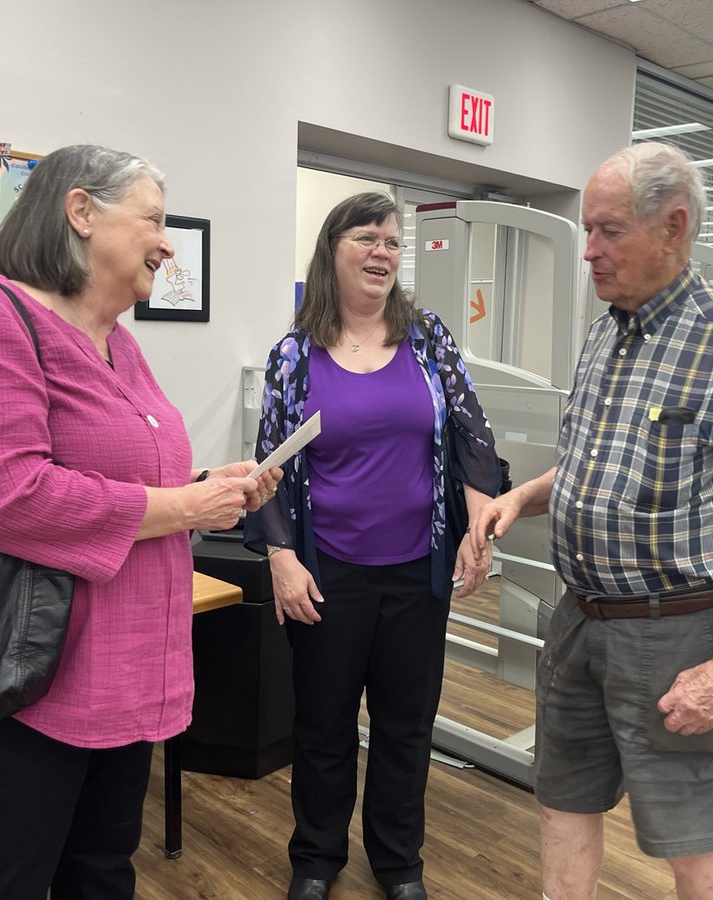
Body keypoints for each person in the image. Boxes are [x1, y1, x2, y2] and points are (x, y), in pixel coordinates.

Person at [0, 144, 282, 900]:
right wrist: (183, 507)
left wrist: (206, 487)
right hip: (24, 681)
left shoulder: (119, 342)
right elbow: (3, 494)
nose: (167, 244)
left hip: (122, 672)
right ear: (81, 212)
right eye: (154, 220)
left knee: (102, 873)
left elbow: (126, 479)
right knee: (6, 883)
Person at [470, 142, 713, 900]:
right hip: (580, 620)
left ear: (673, 227)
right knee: (562, 802)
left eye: (609, 231)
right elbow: (593, 465)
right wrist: (521, 497)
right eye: (587, 231)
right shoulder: (607, 332)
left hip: (682, 632)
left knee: (691, 838)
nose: (589, 251)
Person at [244, 192, 500, 900]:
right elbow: (269, 466)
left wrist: (478, 523)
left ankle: (398, 863)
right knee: (323, 725)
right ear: (333, 249)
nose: (382, 251)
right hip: (328, 571)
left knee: (405, 727)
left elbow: (473, 435)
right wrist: (281, 557)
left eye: (392, 241)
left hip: (417, 571)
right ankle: (316, 859)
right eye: (367, 237)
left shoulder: (427, 338)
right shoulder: (295, 355)